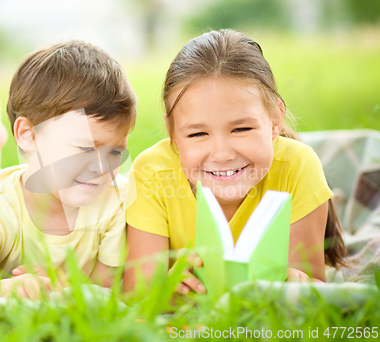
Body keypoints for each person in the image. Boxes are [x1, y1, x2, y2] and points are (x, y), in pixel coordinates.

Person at [123, 29, 346, 294]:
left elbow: (313, 288)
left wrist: (295, 285)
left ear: (275, 121)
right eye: (197, 133)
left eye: (241, 129)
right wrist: (167, 292)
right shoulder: (152, 173)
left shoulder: (297, 166)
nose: (222, 154)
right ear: (173, 134)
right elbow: (136, 294)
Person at [0, 40, 137, 299]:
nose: (101, 168)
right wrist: (9, 289)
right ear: (28, 134)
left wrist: (58, 287)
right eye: (85, 149)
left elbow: (103, 290)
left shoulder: (115, 199)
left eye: (115, 152)